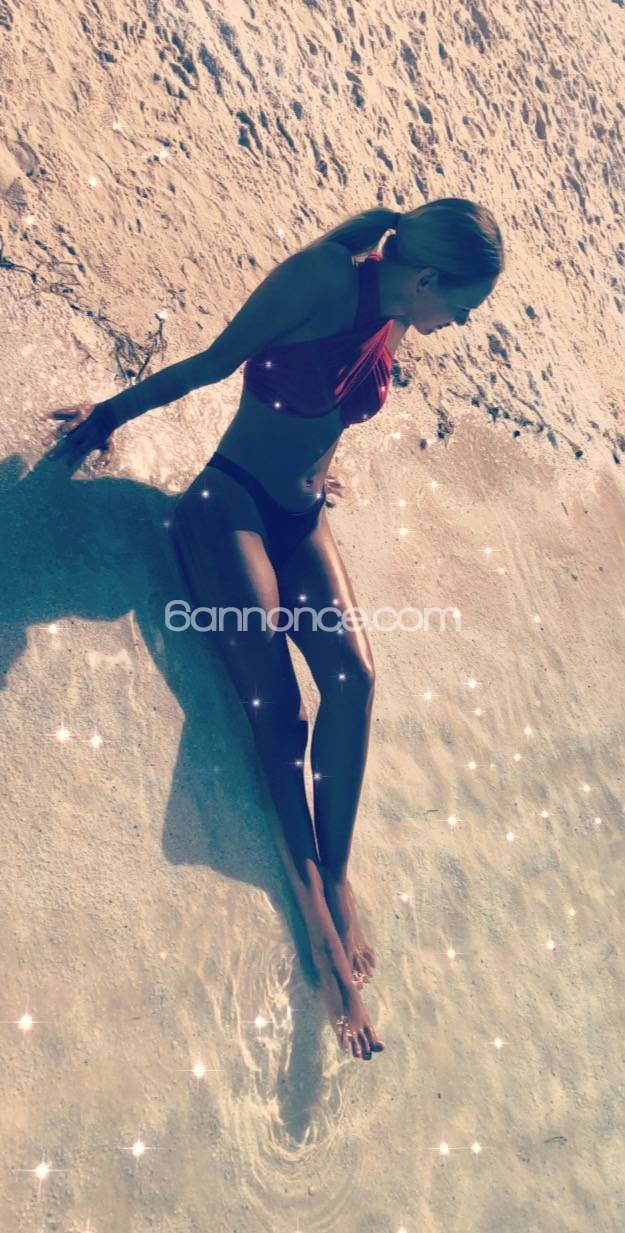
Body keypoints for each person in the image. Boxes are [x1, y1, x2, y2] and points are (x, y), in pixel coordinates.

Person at [41, 198, 505, 1061]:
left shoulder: (400, 305)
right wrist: (106, 417)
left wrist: (319, 471)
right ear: (428, 277)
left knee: (355, 680)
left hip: (300, 519)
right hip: (228, 506)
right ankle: (319, 930)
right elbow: (212, 364)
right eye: (465, 305)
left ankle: (337, 871)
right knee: (280, 708)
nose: (465, 321)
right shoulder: (322, 281)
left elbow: (330, 404)